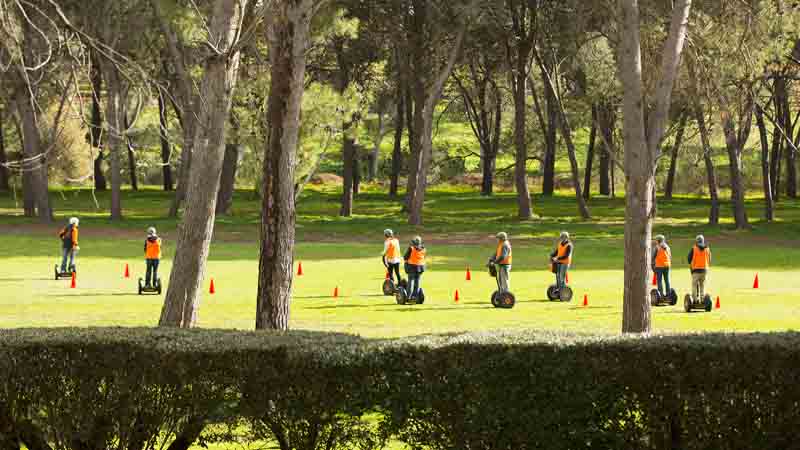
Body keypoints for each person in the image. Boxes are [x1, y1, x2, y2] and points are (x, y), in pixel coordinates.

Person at [687, 234, 711, 301]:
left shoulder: (694, 248)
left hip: (695, 270)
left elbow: (689, 259)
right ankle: (702, 299)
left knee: (694, 285)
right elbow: (709, 259)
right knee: (702, 286)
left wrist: (691, 264)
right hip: (704, 270)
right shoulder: (707, 249)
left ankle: (695, 300)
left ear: (696, 241)